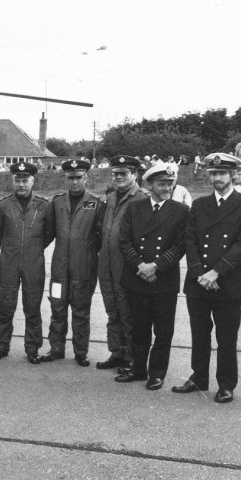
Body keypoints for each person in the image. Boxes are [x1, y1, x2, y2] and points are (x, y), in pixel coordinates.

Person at [177, 152, 241, 403]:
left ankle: (226, 384)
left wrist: (216, 272)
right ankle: (199, 376)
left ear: (233, 174)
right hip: (199, 280)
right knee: (199, 333)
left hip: (229, 281)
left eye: (222, 173)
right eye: (213, 174)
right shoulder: (200, 204)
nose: (217, 178)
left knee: (226, 336)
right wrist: (199, 272)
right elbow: (190, 239)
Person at [115, 164, 189, 390]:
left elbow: (180, 246)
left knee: (163, 331)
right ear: (150, 185)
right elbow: (124, 240)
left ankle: (157, 373)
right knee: (139, 328)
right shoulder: (134, 208)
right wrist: (140, 265)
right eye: (162, 184)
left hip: (163, 279)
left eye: (170, 183)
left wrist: (156, 266)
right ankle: (138, 369)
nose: (167, 187)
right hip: (137, 276)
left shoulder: (181, 210)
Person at [41, 160, 104, 366]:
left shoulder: (95, 203)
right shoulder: (57, 202)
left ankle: (80, 352)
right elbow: (48, 233)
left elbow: (101, 237)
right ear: (65, 179)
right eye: (71, 177)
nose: (75, 181)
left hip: (83, 268)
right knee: (57, 310)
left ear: (87, 178)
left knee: (80, 311)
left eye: (79, 177)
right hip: (59, 268)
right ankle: (56, 349)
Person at [0, 161, 53, 363]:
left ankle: (32, 348)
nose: (22, 185)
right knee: (6, 306)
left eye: (26, 180)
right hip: (8, 262)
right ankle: (1, 346)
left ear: (33, 181)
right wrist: (11, 249)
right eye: (18, 180)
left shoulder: (44, 205)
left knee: (32, 307)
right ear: (12, 181)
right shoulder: (3, 205)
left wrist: (33, 249)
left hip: (34, 264)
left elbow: (49, 233)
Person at [96, 155, 147, 371]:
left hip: (127, 264)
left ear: (135, 174)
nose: (118, 177)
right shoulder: (112, 197)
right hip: (107, 262)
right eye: (115, 173)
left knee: (129, 312)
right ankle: (117, 352)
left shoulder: (142, 198)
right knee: (112, 309)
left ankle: (133, 357)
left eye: (123, 173)